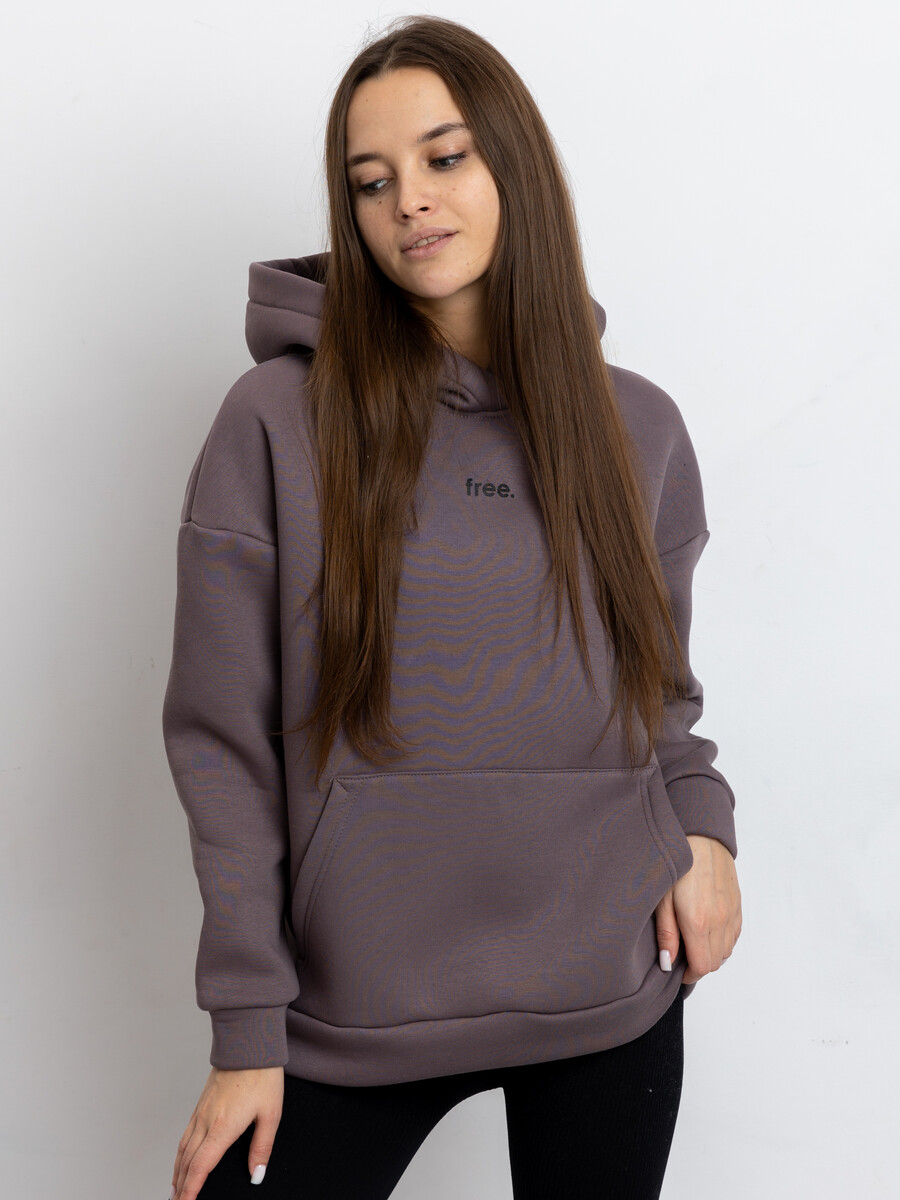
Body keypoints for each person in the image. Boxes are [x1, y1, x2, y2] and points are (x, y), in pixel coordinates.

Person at [161, 15, 742, 1200]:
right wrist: (247, 1027)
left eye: (445, 157)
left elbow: (658, 692)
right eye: (370, 181)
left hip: (610, 990)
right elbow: (221, 746)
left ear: (512, 165)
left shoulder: (637, 428)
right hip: (350, 1010)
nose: (409, 202)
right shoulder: (275, 422)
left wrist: (705, 827)